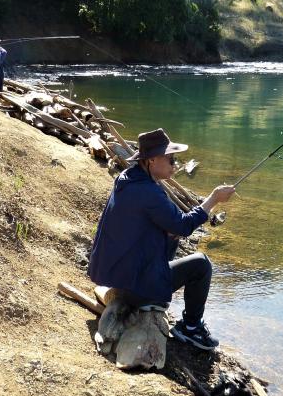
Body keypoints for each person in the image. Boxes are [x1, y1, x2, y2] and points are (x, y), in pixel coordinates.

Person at [88, 128, 235, 351]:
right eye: (171, 159)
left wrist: (170, 231)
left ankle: (149, 293)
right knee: (201, 264)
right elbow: (184, 225)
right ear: (152, 160)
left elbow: (163, 224)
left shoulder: (126, 179)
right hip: (132, 286)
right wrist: (214, 198)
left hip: (115, 275)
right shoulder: (148, 192)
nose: (175, 165)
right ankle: (190, 328)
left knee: (171, 234)